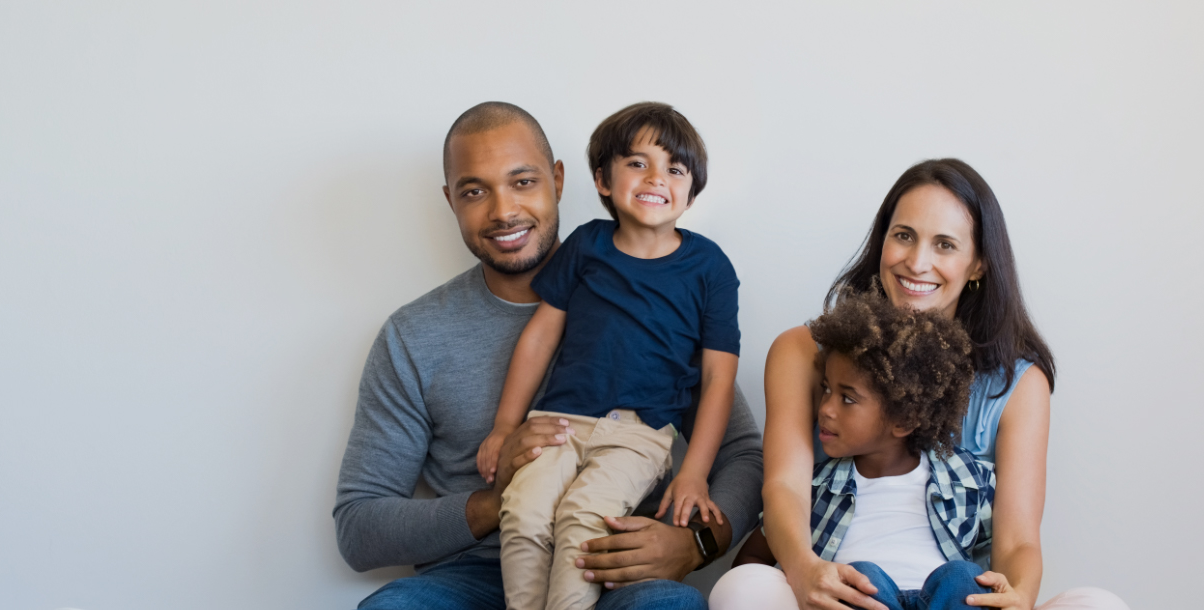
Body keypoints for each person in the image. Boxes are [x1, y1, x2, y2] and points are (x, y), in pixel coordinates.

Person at [333, 101, 765, 610]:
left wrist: (693, 545)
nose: (502, 211)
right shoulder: (413, 336)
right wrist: (498, 503)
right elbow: (359, 527)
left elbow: (743, 455)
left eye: (522, 182)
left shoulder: (662, 294)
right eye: (475, 191)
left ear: (558, 180)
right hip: (467, 576)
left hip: (613, 570)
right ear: (451, 201)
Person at [708, 159, 1128, 610]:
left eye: (944, 244)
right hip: (839, 590)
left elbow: (1018, 538)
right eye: (904, 235)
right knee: (743, 587)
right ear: (882, 239)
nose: (917, 262)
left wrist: (1020, 596)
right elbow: (785, 487)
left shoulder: (1018, 384)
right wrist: (805, 569)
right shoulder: (803, 350)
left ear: (979, 264)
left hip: (954, 596)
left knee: (1098, 604)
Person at [475, 102, 740, 610]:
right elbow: (539, 337)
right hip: (557, 422)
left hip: (637, 435)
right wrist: (506, 425)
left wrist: (694, 472)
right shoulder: (586, 245)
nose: (656, 177)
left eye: (675, 169)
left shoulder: (709, 266)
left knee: (584, 519)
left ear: (690, 192)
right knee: (524, 510)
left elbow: (718, 379)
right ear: (602, 179)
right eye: (638, 163)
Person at [723, 290, 994, 610]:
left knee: (965, 576)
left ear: (905, 420)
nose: (825, 409)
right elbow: (753, 556)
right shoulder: (815, 490)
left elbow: (1002, 554)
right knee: (861, 577)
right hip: (864, 599)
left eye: (847, 399)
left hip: (941, 601)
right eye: (826, 389)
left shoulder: (968, 477)